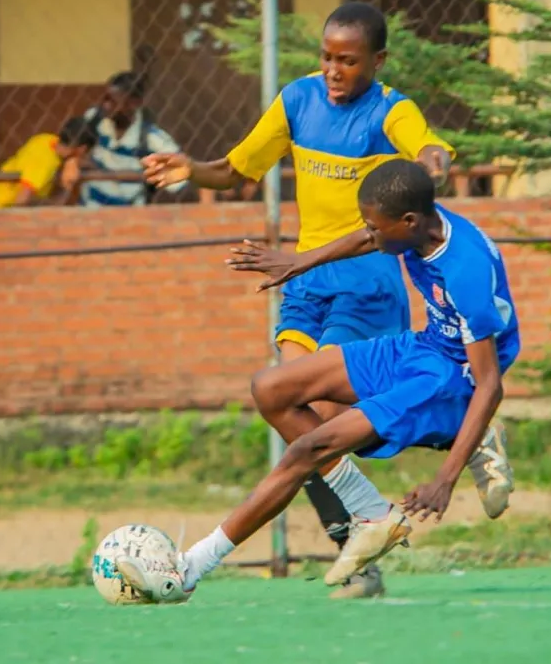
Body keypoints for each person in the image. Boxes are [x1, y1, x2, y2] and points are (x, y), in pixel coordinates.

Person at [142, 1, 513, 599]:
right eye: (327, 57)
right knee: (291, 410)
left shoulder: (392, 109)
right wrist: (190, 167)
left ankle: (437, 458)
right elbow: (237, 169)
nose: (335, 70)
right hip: (307, 275)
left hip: (368, 276)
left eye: (349, 60)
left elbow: (426, 149)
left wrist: (433, 160)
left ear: (377, 61)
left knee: (329, 428)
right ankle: (366, 532)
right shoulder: (296, 100)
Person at [117, 159, 520, 602]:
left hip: (451, 378)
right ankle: (372, 513)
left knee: (310, 448)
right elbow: (370, 238)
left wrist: (446, 478)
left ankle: (190, 568)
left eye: (375, 227)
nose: (370, 233)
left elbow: (489, 383)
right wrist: (298, 263)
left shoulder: (466, 270)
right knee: (271, 389)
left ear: (408, 221)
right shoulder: (418, 226)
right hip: (423, 348)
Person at [80, 71, 185, 207]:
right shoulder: (95, 119)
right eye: (105, 98)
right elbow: (74, 147)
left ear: (134, 103)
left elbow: (181, 175)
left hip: (128, 216)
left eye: (113, 101)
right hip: (89, 210)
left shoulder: (152, 139)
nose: (106, 105)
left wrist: (146, 176)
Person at [0, 116, 97, 209]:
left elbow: (71, 155)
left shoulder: (47, 139)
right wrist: (67, 189)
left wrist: (72, 161)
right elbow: (21, 200)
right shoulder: (44, 163)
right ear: (82, 149)